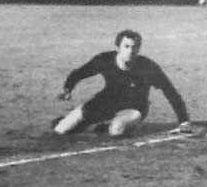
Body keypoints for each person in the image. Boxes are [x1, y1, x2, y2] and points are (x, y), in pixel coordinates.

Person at [52, 30, 193, 137]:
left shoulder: (147, 67)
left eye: (135, 47)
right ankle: (89, 124)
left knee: (116, 131)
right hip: (105, 102)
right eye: (126, 46)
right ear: (117, 47)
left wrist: (184, 121)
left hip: (134, 107)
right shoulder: (104, 60)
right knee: (60, 130)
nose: (131, 51)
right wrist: (68, 88)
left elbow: (170, 92)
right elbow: (80, 73)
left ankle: (110, 125)